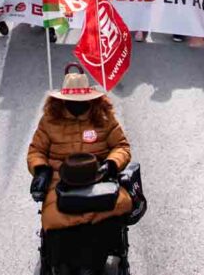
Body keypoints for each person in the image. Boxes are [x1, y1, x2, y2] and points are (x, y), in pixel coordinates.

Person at [27, 65, 133, 274]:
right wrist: (41, 170)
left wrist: (111, 164)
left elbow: (122, 147)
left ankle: (94, 258)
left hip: (99, 177)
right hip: (61, 179)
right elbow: (36, 151)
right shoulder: (49, 120)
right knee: (56, 217)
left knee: (117, 206)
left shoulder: (104, 117)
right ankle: (63, 259)